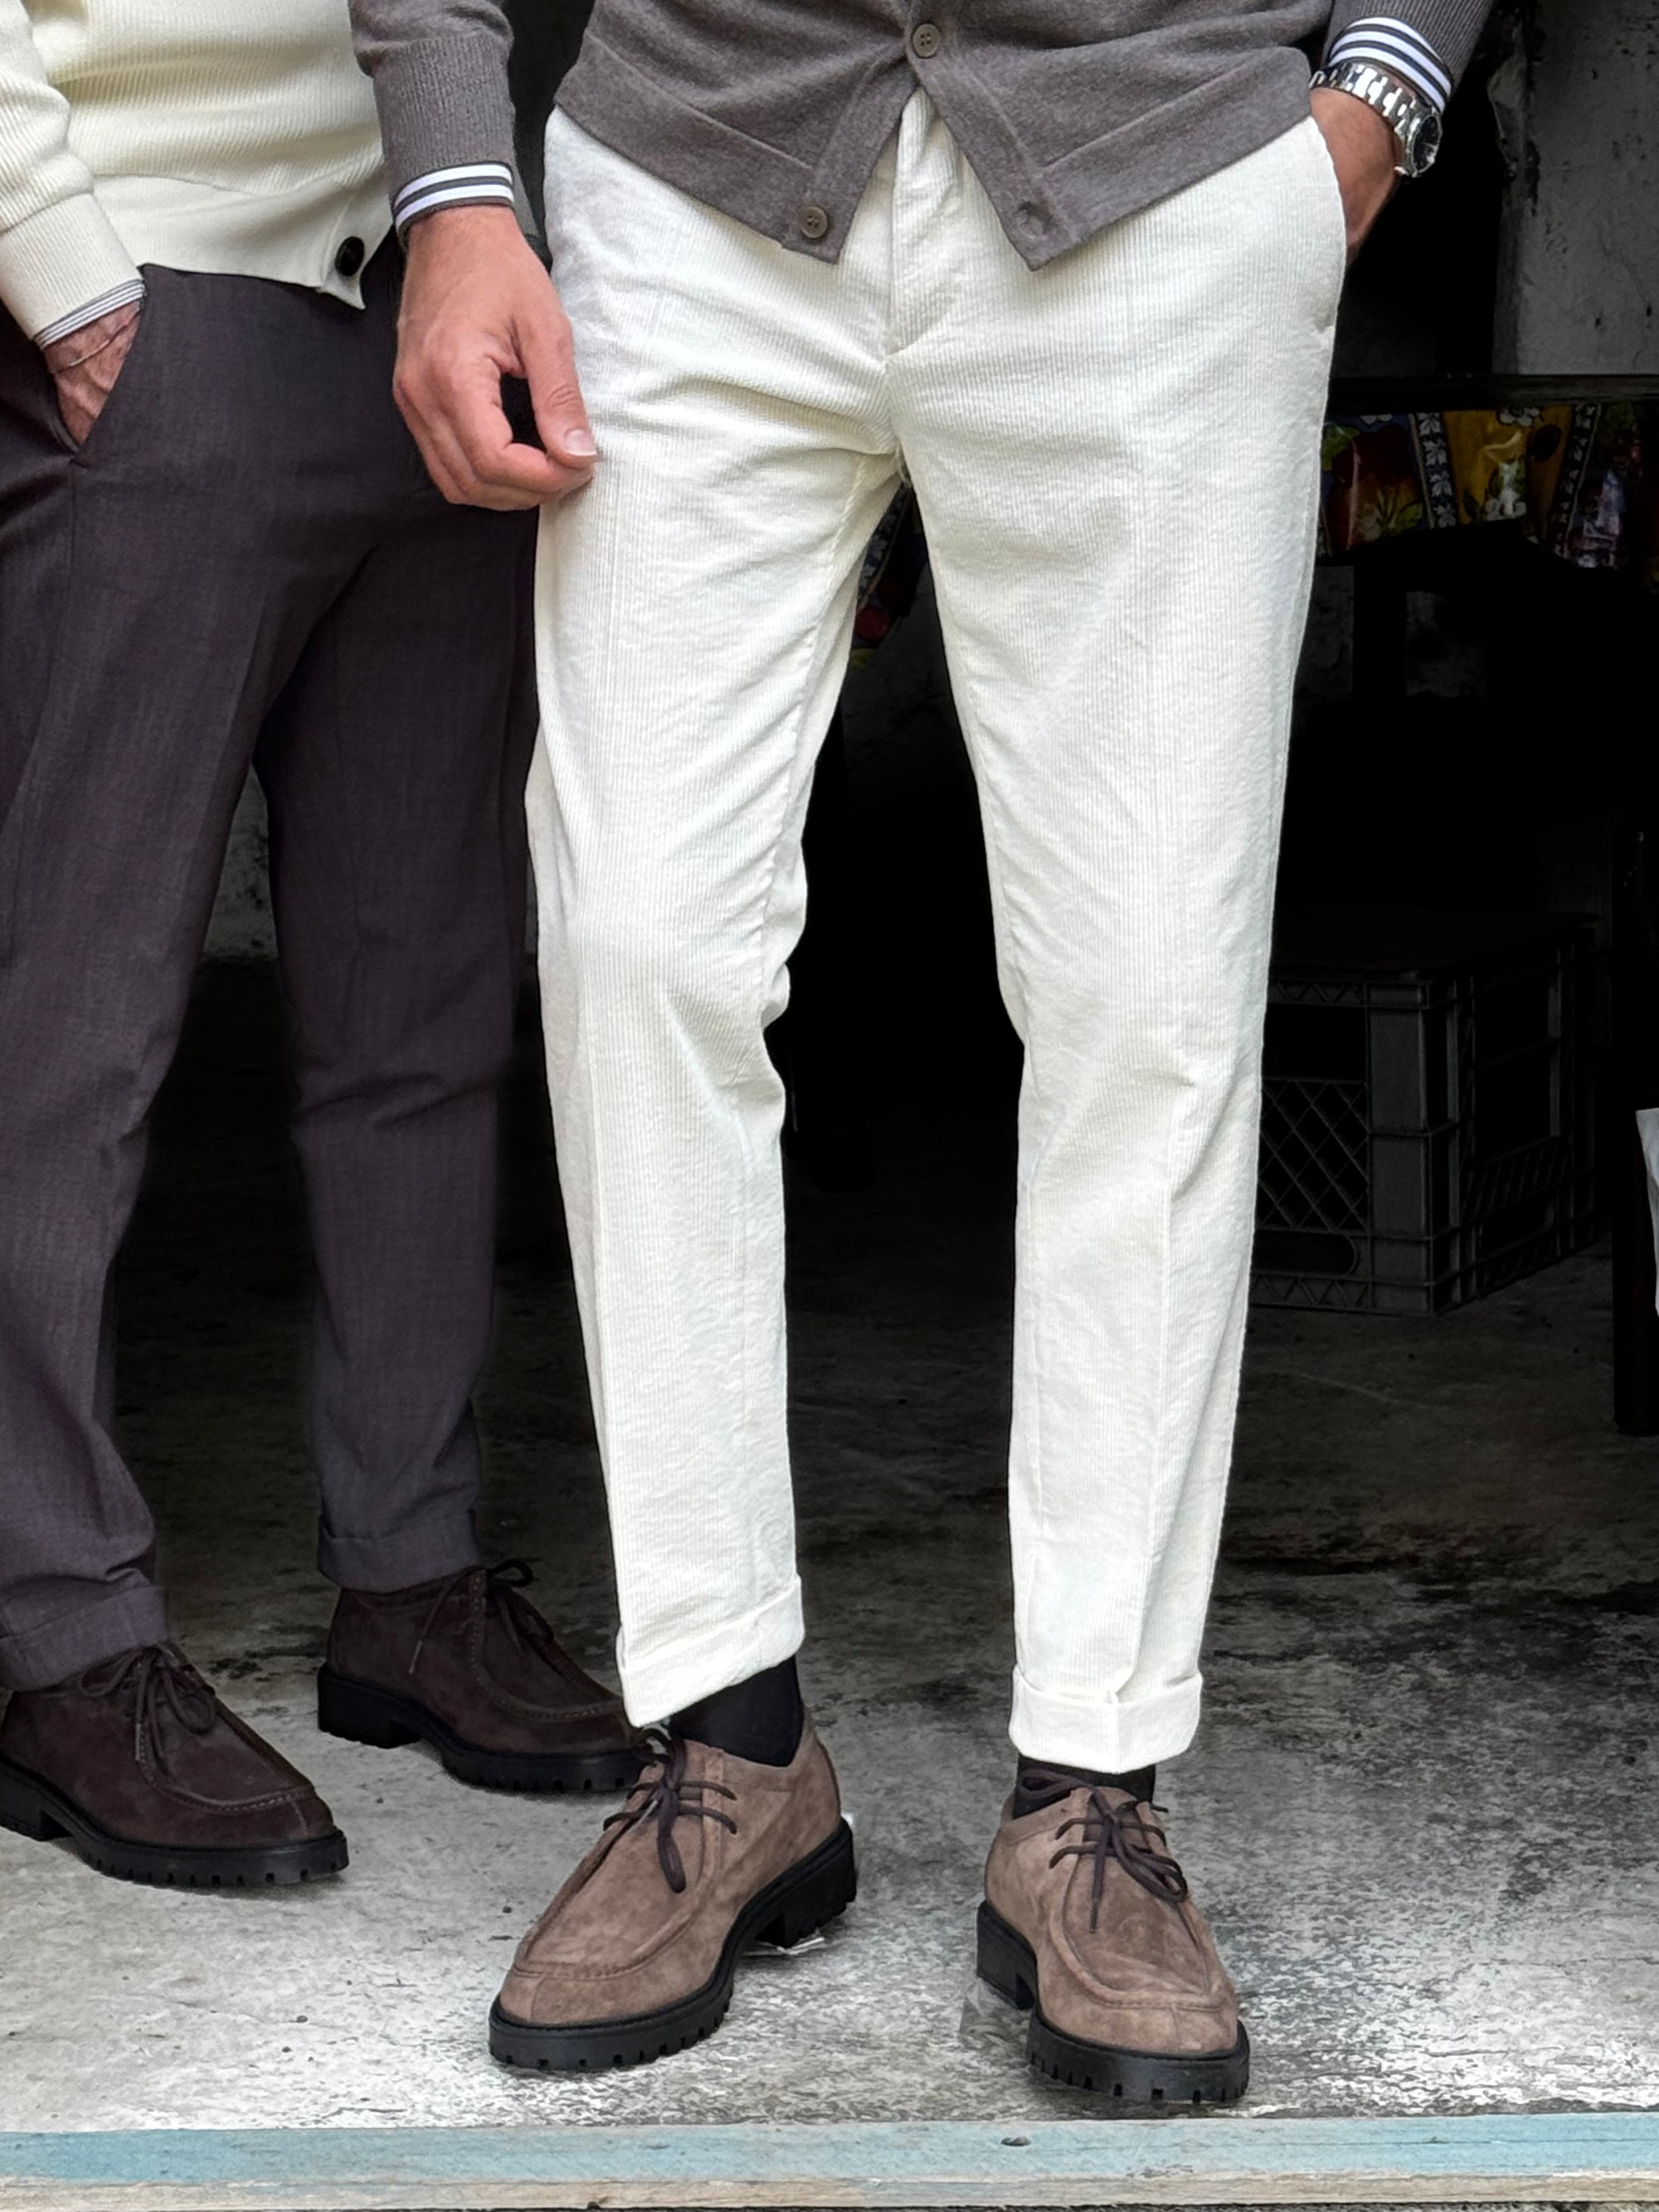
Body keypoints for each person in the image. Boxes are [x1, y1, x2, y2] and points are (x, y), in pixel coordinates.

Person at [348, 0, 1486, 2094]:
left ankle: (1093, 1795)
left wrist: (1382, 89)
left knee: (1148, 993)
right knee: (636, 940)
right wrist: (453, 180)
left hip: (1157, 157)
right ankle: (729, 1743)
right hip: (700, 158)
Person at [0, 0, 640, 1895]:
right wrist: (63, 276)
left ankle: (411, 1575)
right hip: (150, 293)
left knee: (423, 1008)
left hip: (429, 293)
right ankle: (51, 1626)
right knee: (71, 1023)